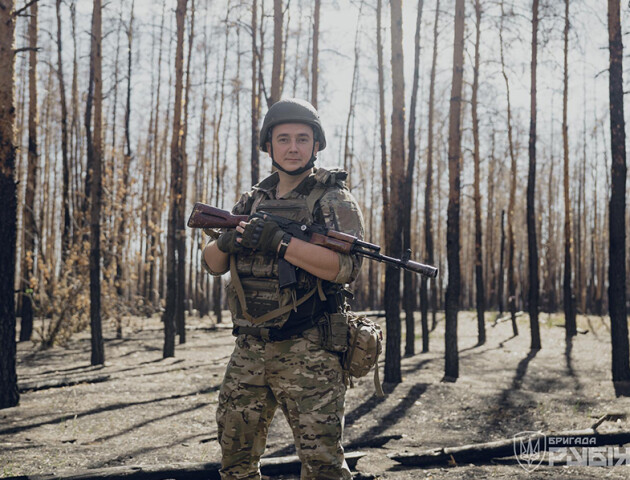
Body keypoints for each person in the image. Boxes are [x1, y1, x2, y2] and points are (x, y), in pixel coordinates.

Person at [202, 98, 365, 479]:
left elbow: (345, 268)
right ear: (269, 145)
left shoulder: (333, 199)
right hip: (250, 349)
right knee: (235, 462)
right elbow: (212, 265)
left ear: (316, 145)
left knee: (323, 465)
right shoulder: (253, 199)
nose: (293, 147)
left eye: (303, 139)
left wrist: (281, 243)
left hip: (309, 350)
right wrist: (226, 242)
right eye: (284, 139)